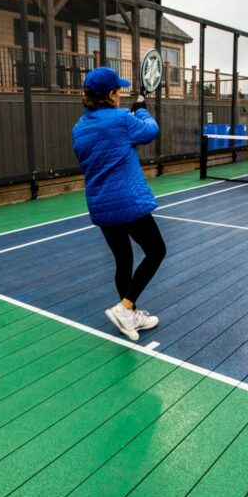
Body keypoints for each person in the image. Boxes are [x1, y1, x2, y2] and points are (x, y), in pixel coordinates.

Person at [72, 66, 167, 342]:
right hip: (128, 202)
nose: (120, 95)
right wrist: (141, 108)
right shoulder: (123, 120)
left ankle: (131, 315)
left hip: (101, 207)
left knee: (123, 259)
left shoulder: (79, 129)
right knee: (156, 250)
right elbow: (151, 131)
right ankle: (125, 307)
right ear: (112, 94)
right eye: (118, 91)